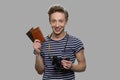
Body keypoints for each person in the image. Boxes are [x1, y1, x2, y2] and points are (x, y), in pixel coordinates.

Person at [33, 4, 86, 80]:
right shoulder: (41, 43)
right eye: (54, 21)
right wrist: (37, 53)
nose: (57, 25)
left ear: (66, 22)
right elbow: (40, 71)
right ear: (50, 22)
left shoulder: (76, 42)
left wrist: (72, 66)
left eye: (61, 21)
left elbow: (83, 66)